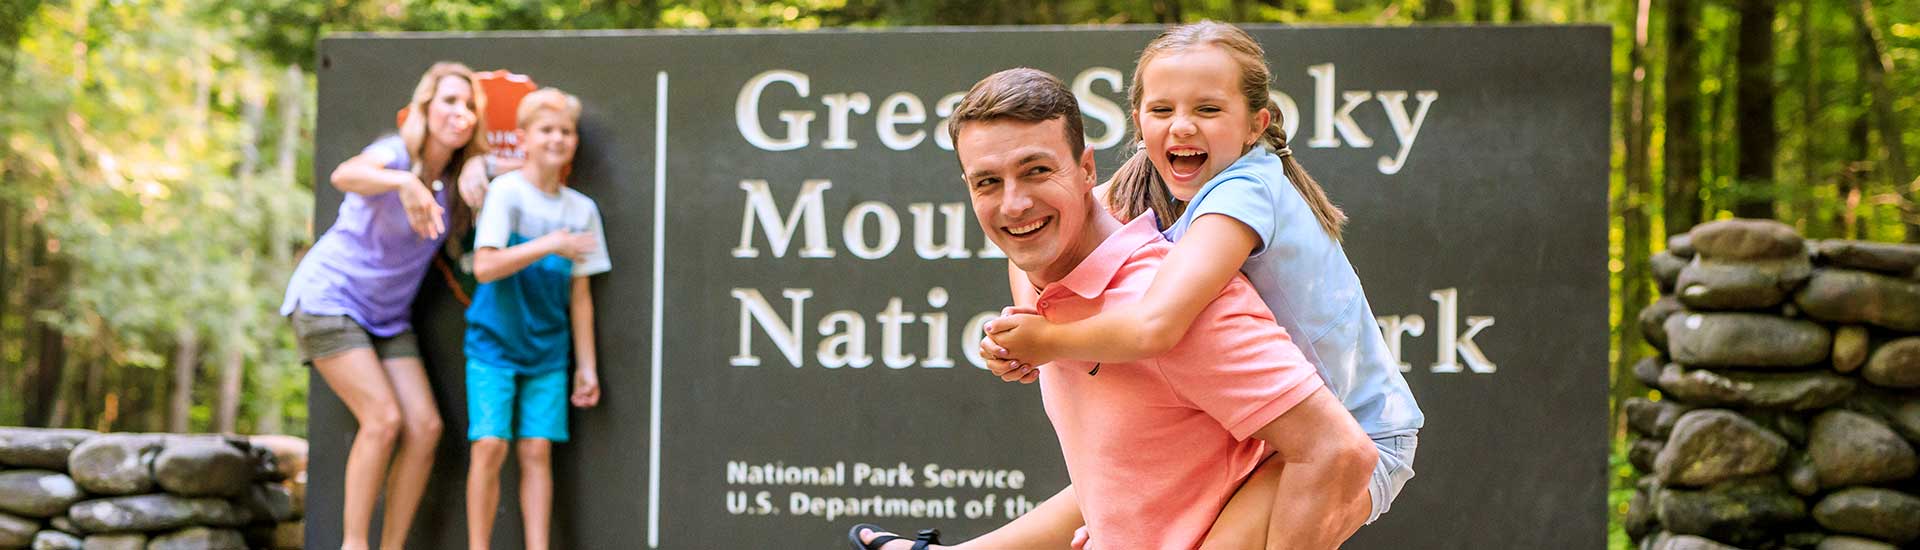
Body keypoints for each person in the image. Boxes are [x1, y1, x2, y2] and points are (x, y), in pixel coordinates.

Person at [851, 67, 1377, 550]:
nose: (1013, 204)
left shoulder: (1177, 300)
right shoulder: (1037, 277)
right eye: (988, 182)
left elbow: (1340, 452)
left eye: (1036, 171)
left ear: (1085, 170)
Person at [981, 21, 1426, 547]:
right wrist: (1027, 320)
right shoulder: (1151, 179)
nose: (1182, 127)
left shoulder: (1241, 193)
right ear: (1139, 121)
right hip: (1279, 434)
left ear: (1255, 124)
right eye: (1162, 110)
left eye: (1208, 110)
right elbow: (1042, 233)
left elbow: (1156, 326)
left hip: (1356, 438)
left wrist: (1045, 342)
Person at [281, 61, 490, 550]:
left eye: (469, 106)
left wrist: (480, 163)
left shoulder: (460, 179)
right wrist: (403, 183)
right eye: (449, 101)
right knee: (383, 419)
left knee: (425, 427)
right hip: (330, 299)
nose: (460, 114)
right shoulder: (394, 155)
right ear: (425, 108)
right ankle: (355, 544)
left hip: (388, 318)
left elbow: (520, 165)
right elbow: (345, 174)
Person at [461, 87, 609, 550]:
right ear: (524, 137)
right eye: (547, 129)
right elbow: (485, 266)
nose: (557, 139)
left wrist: (585, 366)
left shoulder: (583, 209)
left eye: (566, 131)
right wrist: (549, 245)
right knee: (489, 445)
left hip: (548, 351)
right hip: (493, 344)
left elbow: (580, 295)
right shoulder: (506, 193)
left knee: (536, 450)